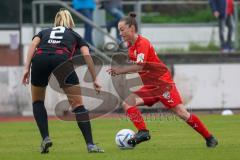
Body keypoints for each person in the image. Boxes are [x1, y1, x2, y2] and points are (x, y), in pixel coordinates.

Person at [107, 13, 218, 148]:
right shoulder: (131, 48)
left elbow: (140, 66)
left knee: (181, 113)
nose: (120, 33)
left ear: (131, 28)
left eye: (122, 29)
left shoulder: (143, 43)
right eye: (119, 30)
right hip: (150, 87)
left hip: (163, 85)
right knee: (127, 104)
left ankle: (209, 137)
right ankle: (143, 132)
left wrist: (120, 70)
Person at [21, 9, 104, 154]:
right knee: (78, 105)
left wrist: (26, 68)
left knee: (38, 102)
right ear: (70, 22)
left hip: (40, 59)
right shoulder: (74, 34)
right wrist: (94, 78)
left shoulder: (44, 32)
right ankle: (90, 145)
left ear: (56, 21)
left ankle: (46, 138)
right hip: (62, 60)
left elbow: (33, 45)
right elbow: (86, 55)